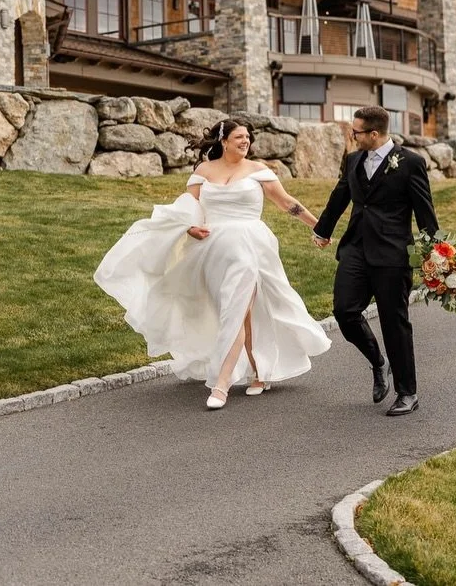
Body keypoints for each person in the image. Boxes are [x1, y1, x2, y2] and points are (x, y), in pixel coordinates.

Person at [94, 120, 331, 410]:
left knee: (235, 308)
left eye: (247, 137)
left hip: (250, 246)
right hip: (212, 250)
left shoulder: (258, 171)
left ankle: (221, 384)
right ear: (224, 141)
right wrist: (191, 228)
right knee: (237, 313)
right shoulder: (203, 172)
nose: (245, 142)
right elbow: (189, 209)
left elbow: (286, 203)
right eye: (239, 137)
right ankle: (260, 371)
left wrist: (320, 227)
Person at [311, 106, 438, 417]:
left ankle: (408, 392)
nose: (351, 136)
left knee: (394, 322)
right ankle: (378, 361)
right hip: (355, 248)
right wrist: (323, 230)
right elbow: (340, 195)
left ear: (374, 134)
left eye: (356, 132)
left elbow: (425, 212)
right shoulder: (354, 159)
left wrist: (434, 252)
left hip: (392, 254)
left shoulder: (410, 163)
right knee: (344, 310)